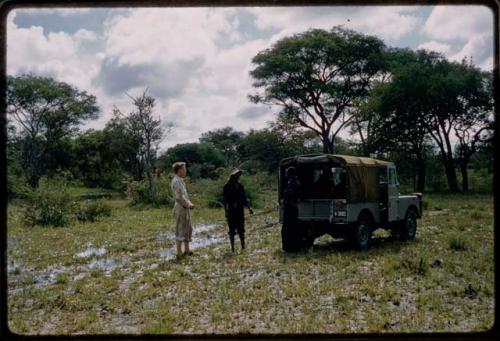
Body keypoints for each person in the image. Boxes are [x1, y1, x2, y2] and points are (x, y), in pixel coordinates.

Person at [223, 169, 253, 252]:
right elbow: (225, 201)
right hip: (231, 211)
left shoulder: (240, 186)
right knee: (232, 230)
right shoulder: (227, 186)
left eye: (239, 175)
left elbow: (244, 198)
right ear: (233, 176)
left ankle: (243, 247)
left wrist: (249, 208)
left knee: (241, 230)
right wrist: (226, 211)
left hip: (240, 210)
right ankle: (232, 248)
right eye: (237, 175)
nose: (238, 177)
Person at [170, 161, 194, 258]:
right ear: (179, 170)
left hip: (185, 208)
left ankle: (187, 250)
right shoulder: (176, 181)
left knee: (188, 228)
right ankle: (179, 252)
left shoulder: (181, 180)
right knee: (180, 229)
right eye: (184, 169)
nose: (185, 171)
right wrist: (188, 204)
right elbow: (179, 197)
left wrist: (189, 203)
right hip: (180, 208)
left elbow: (184, 196)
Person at [281, 166, 302, 252]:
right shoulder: (292, 183)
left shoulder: (295, 184)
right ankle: (291, 247)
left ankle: (290, 247)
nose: (286, 175)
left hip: (291, 209)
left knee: (289, 229)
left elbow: (294, 196)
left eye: (287, 173)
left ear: (290, 174)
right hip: (289, 208)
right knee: (290, 229)